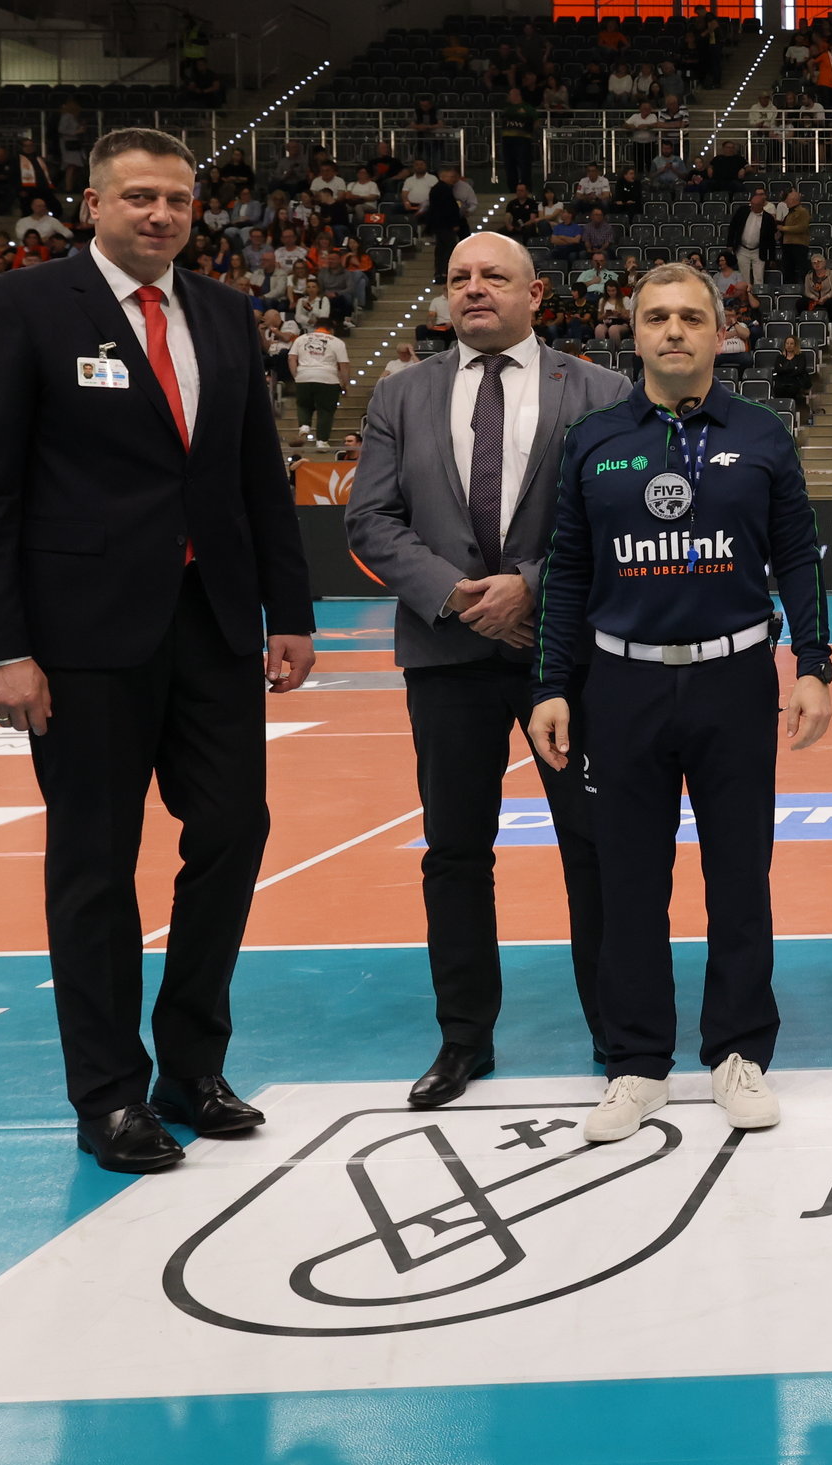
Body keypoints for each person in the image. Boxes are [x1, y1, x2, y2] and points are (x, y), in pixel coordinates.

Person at [0, 127, 316, 1174]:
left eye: (179, 200)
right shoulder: (17, 308)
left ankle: (190, 1065)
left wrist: (289, 610)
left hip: (212, 623)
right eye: (140, 197)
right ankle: (108, 1092)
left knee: (235, 828)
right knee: (96, 863)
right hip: (80, 636)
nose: (161, 215)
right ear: (93, 206)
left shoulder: (225, 312)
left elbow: (257, 473)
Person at [529, 262, 832, 1142]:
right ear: (632, 332)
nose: (673, 330)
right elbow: (568, 570)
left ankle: (738, 1051)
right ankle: (637, 1061)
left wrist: (813, 664)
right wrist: (552, 685)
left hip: (734, 680)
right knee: (628, 880)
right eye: (657, 316)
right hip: (619, 684)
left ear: (719, 332)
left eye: (691, 317)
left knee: (740, 875)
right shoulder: (593, 438)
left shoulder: (762, 434)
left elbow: (798, 555)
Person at [347, 231, 630, 1108]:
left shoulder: (601, 391)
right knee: (455, 851)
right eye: (460, 277)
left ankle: (618, 1028)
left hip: (567, 656)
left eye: (493, 276)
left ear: (534, 294)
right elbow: (371, 520)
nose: (474, 288)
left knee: (595, 845)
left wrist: (529, 587)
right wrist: (458, 594)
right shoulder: (400, 393)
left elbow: (614, 518)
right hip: (446, 653)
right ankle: (464, 1036)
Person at [287, 318, 348, 444]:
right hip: (328, 378)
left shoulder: (301, 339)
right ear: (331, 329)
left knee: (303, 404)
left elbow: (291, 358)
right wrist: (345, 383)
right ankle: (322, 441)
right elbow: (344, 365)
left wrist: (296, 376)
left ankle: (304, 425)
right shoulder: (337, 342)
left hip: (304, 376)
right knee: (326, 410)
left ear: (316, 327)